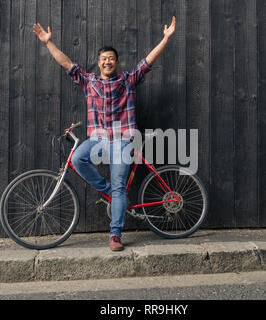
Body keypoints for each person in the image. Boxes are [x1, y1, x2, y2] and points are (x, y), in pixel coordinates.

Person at [33, 16, 176, 251]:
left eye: (111, 58)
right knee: (78, 158)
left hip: (122, 140)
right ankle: (107, 190)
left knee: (120, 186)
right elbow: (66, 63)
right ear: (98, 63)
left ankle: (115, 234)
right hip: (98, 139)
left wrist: (166, 38)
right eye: (103, 59)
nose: (107, 62)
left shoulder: (128, 80)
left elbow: (147, 62)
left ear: (116, 62)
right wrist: (48, 42)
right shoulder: (89, 82)